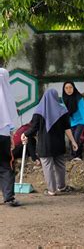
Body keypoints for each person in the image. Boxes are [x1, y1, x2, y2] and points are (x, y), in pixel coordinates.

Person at [22, 89, 78, 196]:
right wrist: (73, 141)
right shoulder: (62, 110)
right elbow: (67, 128)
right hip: (59, 143)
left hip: (45, 144)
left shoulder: (38, 111)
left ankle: (52, 190)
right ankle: (61, 186)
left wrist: (25, 134)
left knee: (47, 166)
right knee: (60, 165)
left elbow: (33, 128)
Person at [0, 68, 20, 207]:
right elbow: (11, 117)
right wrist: (12, 135)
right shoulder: (6, 96)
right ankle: (8, 197)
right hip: (3, 134)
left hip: (4, 133)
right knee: (5, 165)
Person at [62, 82, 84, 161]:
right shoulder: (63, 99)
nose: (69, 90)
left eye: (70, 87)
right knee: (71, 138)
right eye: (66, 88)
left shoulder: (79, 98)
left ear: (74, 88)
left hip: (81, 121)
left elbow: (83, 112)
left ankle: (78, 156)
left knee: (77, 137)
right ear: (64, 90)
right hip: (71, 122)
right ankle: (73, 156)